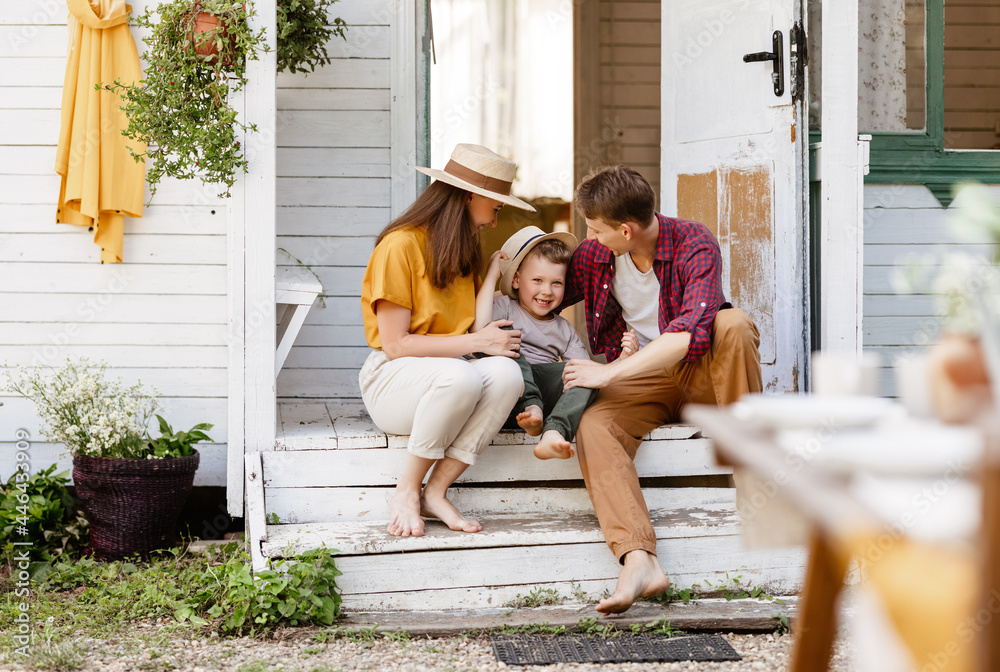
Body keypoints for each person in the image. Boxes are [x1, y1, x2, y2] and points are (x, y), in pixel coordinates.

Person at [560, 165, 763, 614]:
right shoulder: (597, 256)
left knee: (731, 322)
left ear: (626, 230)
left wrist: (606, 374)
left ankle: (751, 472)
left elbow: (688, 335)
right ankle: (638, 559)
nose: (589, 237)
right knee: (594, 425)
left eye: (594, 229)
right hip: (646, 380)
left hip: (701, 372)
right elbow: (541, 288)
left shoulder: (693, 241)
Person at [359, 143, 534, 538]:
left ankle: (435, 492)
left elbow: (475, 336)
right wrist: (479, 344)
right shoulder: (400, 246)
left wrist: (490, 279)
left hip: (448, 377)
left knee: (507, 374)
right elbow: (396, 345)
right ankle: (407, 490)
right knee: (463, 376)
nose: (493, 221)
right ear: (471, 195)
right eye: (496, 207)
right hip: (392, 381)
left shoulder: (463, 251)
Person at [472, 226, 625, 460]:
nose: (547, 291)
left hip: (541, 409)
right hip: (504, 394)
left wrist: (623, 361)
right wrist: (492, 276)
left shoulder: (563, 329)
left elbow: (585, 373)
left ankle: (554, 431)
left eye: (557, 283)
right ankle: (530, 404)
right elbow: (479, 331)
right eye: (537, 280)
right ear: (515, 280)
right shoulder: (504, 307)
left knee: (583, 372)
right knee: (500, 332)